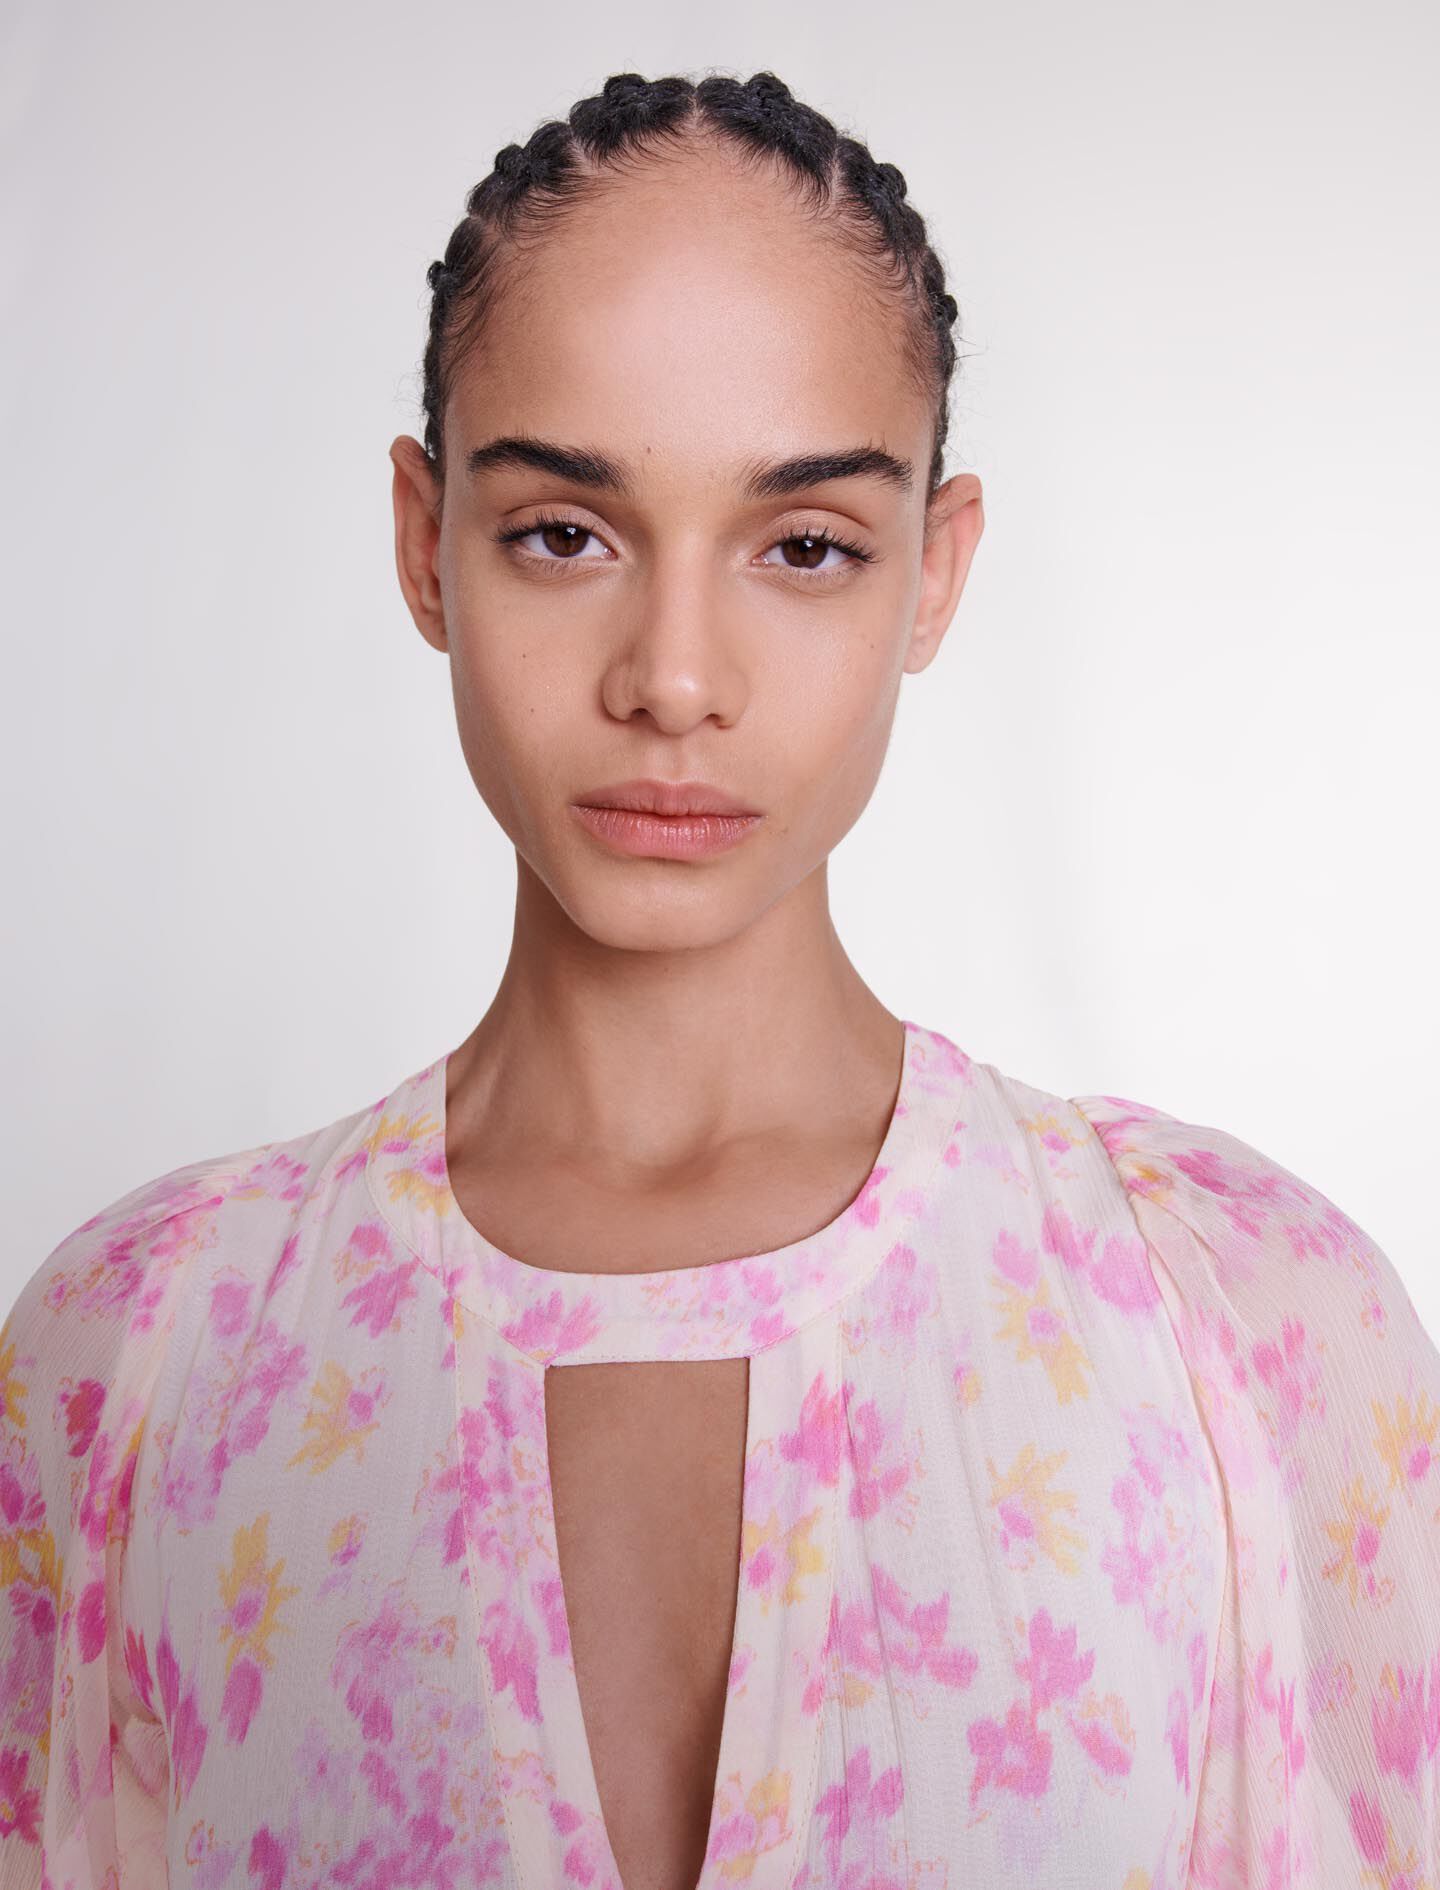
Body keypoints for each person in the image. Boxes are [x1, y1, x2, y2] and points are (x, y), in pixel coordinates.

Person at [2, 65, 1436, 1890]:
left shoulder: (1244, 1322)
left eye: (805, 546)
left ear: (935, 575)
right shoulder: (139, 1360)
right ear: (423, 545)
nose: (674, 676)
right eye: (565, 533)